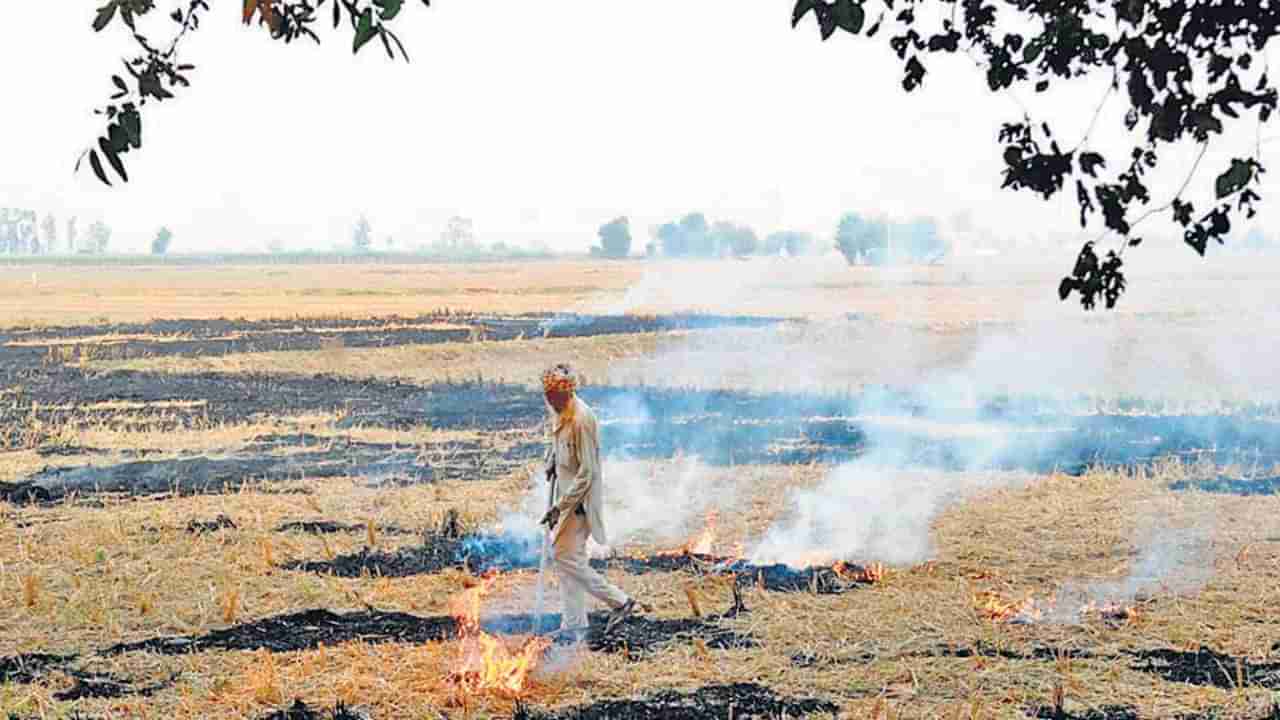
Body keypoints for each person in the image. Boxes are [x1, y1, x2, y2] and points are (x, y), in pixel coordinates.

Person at [538, 363, 638, 639]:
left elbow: (587, 473)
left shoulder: (582, 419)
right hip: (565, 496)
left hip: (578, 502)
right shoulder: (558, 410)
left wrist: (560, 507)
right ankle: (573, 626)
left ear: (567, 394)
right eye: (548, 397)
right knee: (568, 560)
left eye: (555, 398)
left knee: (563, 557)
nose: (551, 402)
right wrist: (552, 461)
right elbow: (557, 442)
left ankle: (619, 601)